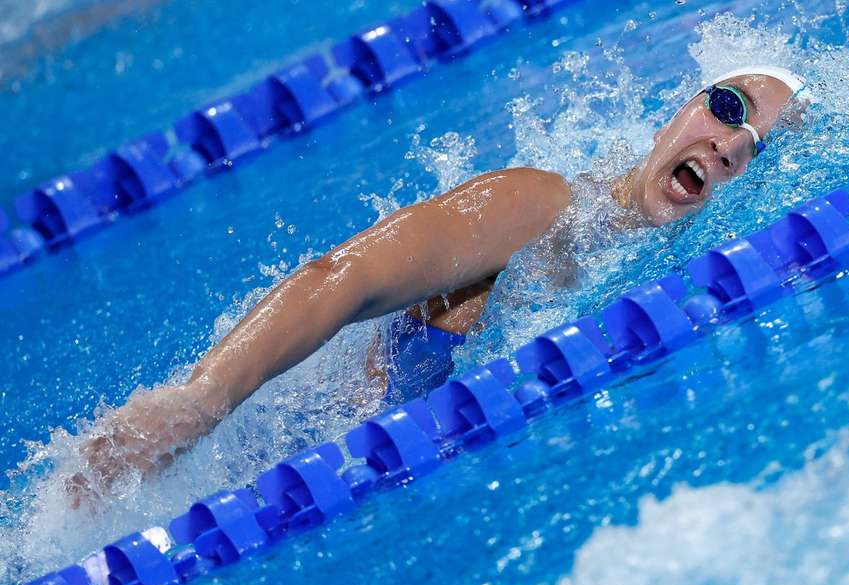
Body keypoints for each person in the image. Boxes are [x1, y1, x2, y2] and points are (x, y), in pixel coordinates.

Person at [68, 65, 808, 503]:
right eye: (728, 106)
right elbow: (344, 275)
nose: (729, 143)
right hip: (304, 475)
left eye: (756, 149)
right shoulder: (541, 207)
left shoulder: (681, 280)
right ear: (682, 104)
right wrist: (204, 398)